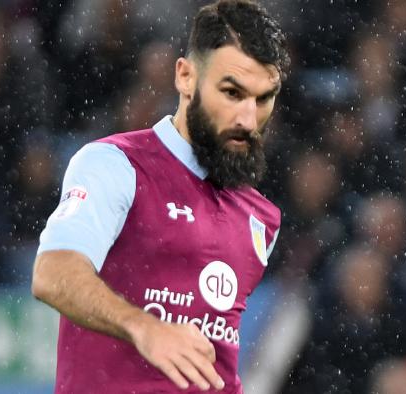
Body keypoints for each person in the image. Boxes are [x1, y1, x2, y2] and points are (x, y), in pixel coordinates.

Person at [31, 1, 289, 392]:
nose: (248, 119)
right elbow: (53, 274)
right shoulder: (115, 165)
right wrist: (144, 327)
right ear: (185, 77)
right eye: (232, 92)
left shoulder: (261, 218)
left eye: (263, 98)